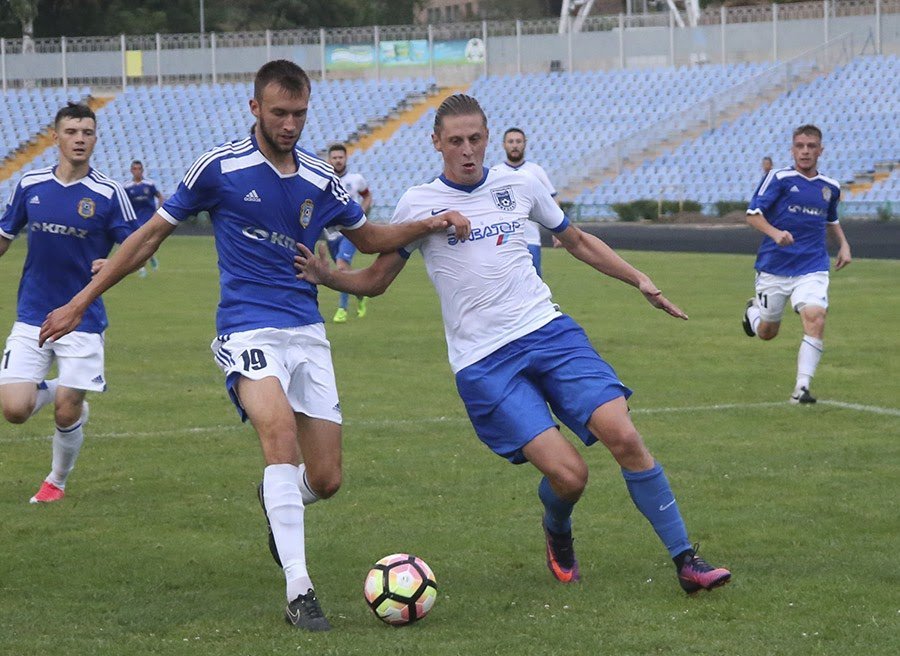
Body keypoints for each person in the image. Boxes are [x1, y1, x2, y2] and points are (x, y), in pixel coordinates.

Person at [39, 60, 469, 632]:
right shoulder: (219, 167)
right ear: (255, 109)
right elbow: (148, 238)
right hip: (246, 328)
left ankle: (277, 498)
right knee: (278, 435)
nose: (290, 124)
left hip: (306, 332)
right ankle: (299, 591)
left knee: (326, 479)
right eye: (279, 113)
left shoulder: (320, 177)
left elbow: (369, 239)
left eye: (299, 114)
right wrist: (80, 301)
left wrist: (430, 223)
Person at [295, 94, 731, 595]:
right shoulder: (419, 204)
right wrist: (329, 276)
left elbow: (577, 240)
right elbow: (376, 280)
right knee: (571, 477)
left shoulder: (520, 185)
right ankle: (557, 527)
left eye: (475, 139)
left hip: (549, 331)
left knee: (625, 436)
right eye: (455, 141)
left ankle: (686, 560)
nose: (467, 150)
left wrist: (639, 279)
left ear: (488, 138)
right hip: (484, 362)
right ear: (436, 142)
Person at [0, 102, 137, 503]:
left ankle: (55, 482)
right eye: (72, 132)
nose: (80, 139)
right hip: (33, 314)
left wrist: (114, 262)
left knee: (65, 411)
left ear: (95, 139)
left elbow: (137, 245)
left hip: (83, 317)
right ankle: (70, 390)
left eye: (87, 133)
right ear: (55, 137)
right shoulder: (30, 185)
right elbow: (5, 235)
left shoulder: (108, 193)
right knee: (15, 409)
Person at [742, 125, 851, 404]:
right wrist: (775, 233)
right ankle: (753, 313)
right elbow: (752, 215)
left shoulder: (830, 187)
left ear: (820, 150)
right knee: (767, 332)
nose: (805, 151)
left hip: (812, 265)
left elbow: (831, 219)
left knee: (816, 316)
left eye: (811, 146)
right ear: (792, 150)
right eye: (800, 146)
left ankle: (801, 388)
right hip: (774, 267)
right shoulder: (778, 178)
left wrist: (843, 244)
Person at [492, 127, 558, 276]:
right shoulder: (495, 173)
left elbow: (552, 200)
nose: (515, 145)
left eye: (518, 141)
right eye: (511, 141)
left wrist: (558, 231)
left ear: (525, 144)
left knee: (533, 281)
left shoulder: (535, 171)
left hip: (530, 238)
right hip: (503, 240)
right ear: (504, 145)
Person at [324, 143, 372, 323]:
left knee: (342, 267)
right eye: (334, 158)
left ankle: (342, 309)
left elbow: (367, 195)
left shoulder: (356, 179)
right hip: (331, 233)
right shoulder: (324, 180)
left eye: (340, 157)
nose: (338, 160)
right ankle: (360, 293)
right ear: (329, 160)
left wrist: (361, 212)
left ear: (346, 158)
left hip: (351, 231)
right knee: (343, 270)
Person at [123, 159, 165, 277]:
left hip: (149, 218)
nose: (137, 171)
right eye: (135, 169)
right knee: (139, 243)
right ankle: (142, 267)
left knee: (147, 242)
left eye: (139, 169)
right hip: (135, 219)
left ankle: (148, 258)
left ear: (142, 170)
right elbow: (123, 202)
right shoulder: (127, 187)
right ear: (131, 171)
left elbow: (160, 196)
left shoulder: (149, 184)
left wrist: (158, 211)